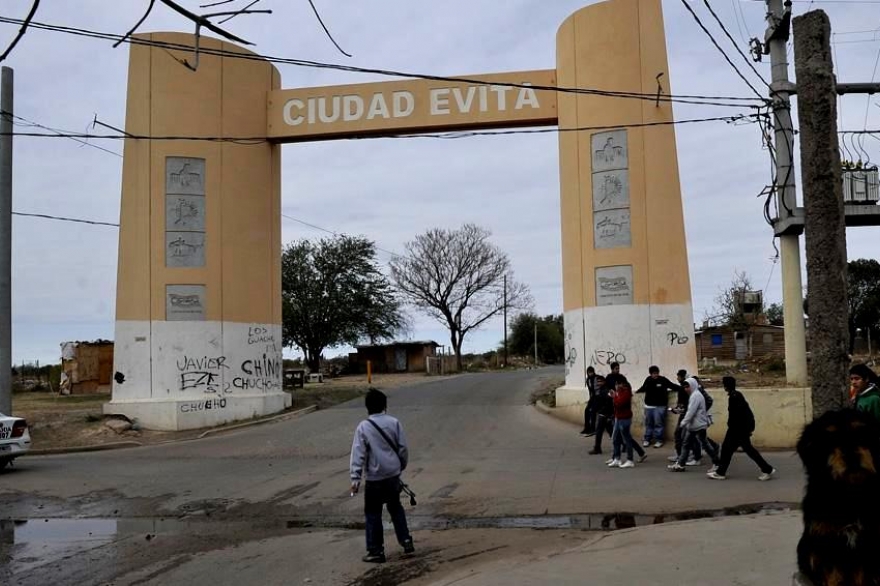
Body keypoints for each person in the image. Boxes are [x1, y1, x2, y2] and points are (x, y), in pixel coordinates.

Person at [350, 388, 415, 563]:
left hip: (374, 479)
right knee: (395, 508)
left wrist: (355, 478)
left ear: (367, 407)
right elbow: (403, 448)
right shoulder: (394, 422)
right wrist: (400, 466)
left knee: (373, 513)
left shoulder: (363, 427)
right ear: (384, 405)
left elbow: (358, 453)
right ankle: (406, 541)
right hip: (393, 476)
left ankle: (376, 551)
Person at [706, 376, 776, 481]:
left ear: (726, 386)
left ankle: (767, 469)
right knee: (731, 450)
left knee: (735, 449)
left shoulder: (734, 397)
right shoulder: (736, 395)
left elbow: (737, 416)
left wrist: (737, 429)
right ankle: (721, 471)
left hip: (737, 430)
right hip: (739, 429)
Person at [668, 377, 720, 472]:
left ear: (693, 385)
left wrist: (683, 423)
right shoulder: (694, 395)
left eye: (688, 387)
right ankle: (681, 464)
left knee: (704, 445)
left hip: (698, 425)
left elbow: (691, 412)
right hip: (695, 425)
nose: (686, 389)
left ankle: (717, 463)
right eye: (685, 387)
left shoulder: (695, 396)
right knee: (687, 444)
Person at [607, 379, 648, 468]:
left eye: (618, 384)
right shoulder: (619, 392)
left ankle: (630, 459)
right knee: (616, 438)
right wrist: (614, 395)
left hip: (624, 419)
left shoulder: (626, 393)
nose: (617, 386)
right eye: (616, 384)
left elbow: (619, 404)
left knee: (627, 439)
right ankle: (617, 458)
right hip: (618, 417)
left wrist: (614, 396)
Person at [635, 365, 678, 448]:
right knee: (649, 424)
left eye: (657, 373)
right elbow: (643, 388)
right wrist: (636, 392)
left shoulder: (663, 380)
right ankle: (647, 439)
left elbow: (672, 385)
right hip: (649, 406)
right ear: (650, 374)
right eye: (654, 373)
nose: (656, 375)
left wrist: (681, 388)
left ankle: (659, 440)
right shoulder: (648, 380)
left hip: (660, 406)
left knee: (659, 424)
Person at [588, 375, 614, 455]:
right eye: (598, 381)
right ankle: (624, 445)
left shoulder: (605, 391)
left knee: (599, 431)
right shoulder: (602, 390)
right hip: (604, 414)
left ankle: (597, 448)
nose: (599, 383)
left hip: (604, 414)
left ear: (604, 382)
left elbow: (608, 403)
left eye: (600, 381)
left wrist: (603, 412)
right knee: (611, 431)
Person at [581, 366, 598, 436]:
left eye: (591, 372)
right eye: (589, 373)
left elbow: (598, 390)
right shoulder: (588, 380)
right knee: (587, 410)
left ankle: (592, 428)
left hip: (598, 398)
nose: (590, 374)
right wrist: (590, 399)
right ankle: (586, 427)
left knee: (593, 411)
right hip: (592, 398)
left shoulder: (597, 378)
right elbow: (590, 391)